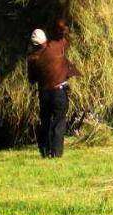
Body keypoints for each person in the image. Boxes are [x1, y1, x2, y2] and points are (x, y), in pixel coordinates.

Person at [27, 23, 81, 158]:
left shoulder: (32, 58)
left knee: (45, 121)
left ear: (33, 44)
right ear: (45, 39)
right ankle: (56, 153)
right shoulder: (55, 47)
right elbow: (65, 38)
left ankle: (45, 152)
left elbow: (32, 80)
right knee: (58, 121)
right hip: (58, 92)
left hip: (44, 94)